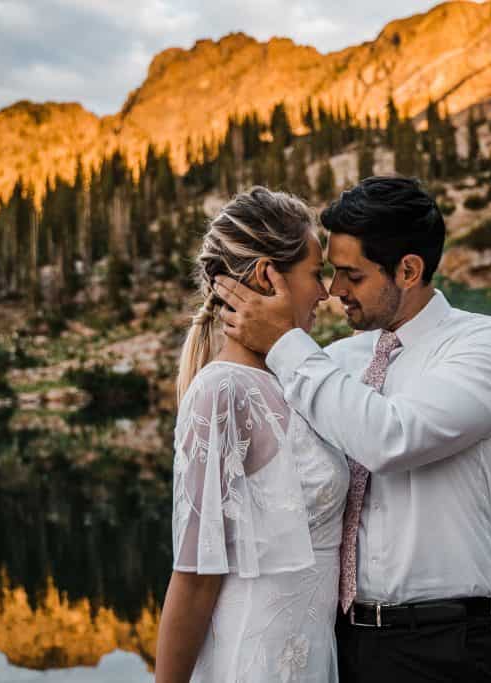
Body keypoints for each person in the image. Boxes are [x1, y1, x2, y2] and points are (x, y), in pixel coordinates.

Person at [213, 176, 491, 682]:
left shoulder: (482, 346)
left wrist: (287, 344)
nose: (334, 292)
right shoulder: (333, 362)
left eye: (351, 275)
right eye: (332, 272)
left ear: (408, 269)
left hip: (438, 650)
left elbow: (389, 439)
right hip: (335, 643)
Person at [155, 187, 348, 683]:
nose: (325, 293)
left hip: (313, 651)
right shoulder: (223, 391)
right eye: (314, 274)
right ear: (268, 276)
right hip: (256, 658)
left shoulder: (292, 378)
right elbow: (194, 577)